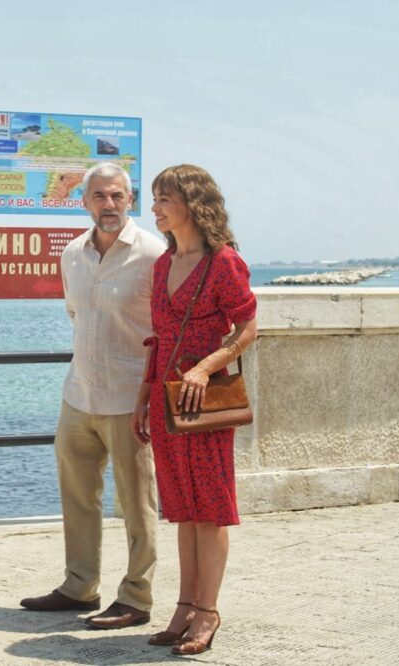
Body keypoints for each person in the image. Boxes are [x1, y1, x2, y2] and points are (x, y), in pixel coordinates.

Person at [20, 162, 165, 630]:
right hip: (79, 394)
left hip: (130, 399)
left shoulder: (154, 254)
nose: (109, 204)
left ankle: (136, 597)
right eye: (100, 196)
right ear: (84, 202)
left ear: (130, 200)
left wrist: (150, 395)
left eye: (117, 195)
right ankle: (79, 586)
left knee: (138, 504)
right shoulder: (72, 254)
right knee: (78, 497)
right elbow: (75, 314)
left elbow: (164, 330)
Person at [132, 164, 257, 655]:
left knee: (210, 510)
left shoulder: (224, 262)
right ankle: (184, 606)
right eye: (156, 198)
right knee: (183, 509)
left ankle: (208, 611)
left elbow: (248, 329)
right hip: (166, 398)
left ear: (193, 204)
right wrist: (143, 397)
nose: (155, 208)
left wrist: (205, 369)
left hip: (204, 401)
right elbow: (160, 338)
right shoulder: (163, 264)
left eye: (164, 199)